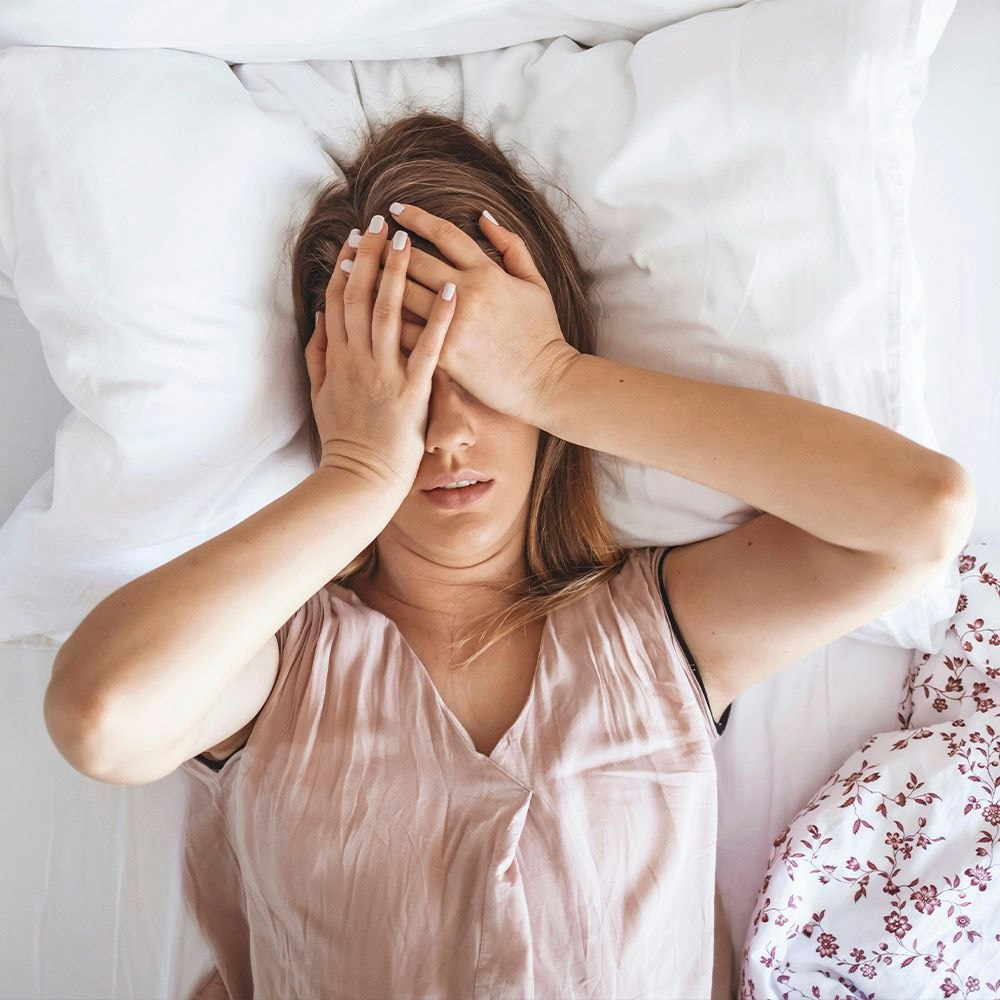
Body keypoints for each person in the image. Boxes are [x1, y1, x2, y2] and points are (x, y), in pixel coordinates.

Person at [45, 111, 975, 1000]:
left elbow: (920, 515)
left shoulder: (653, 636)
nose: (446, 432)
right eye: (406, 383)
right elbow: (101, 716)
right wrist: (362, 471)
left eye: (479, 379)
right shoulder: (280, 668)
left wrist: (553, 379)